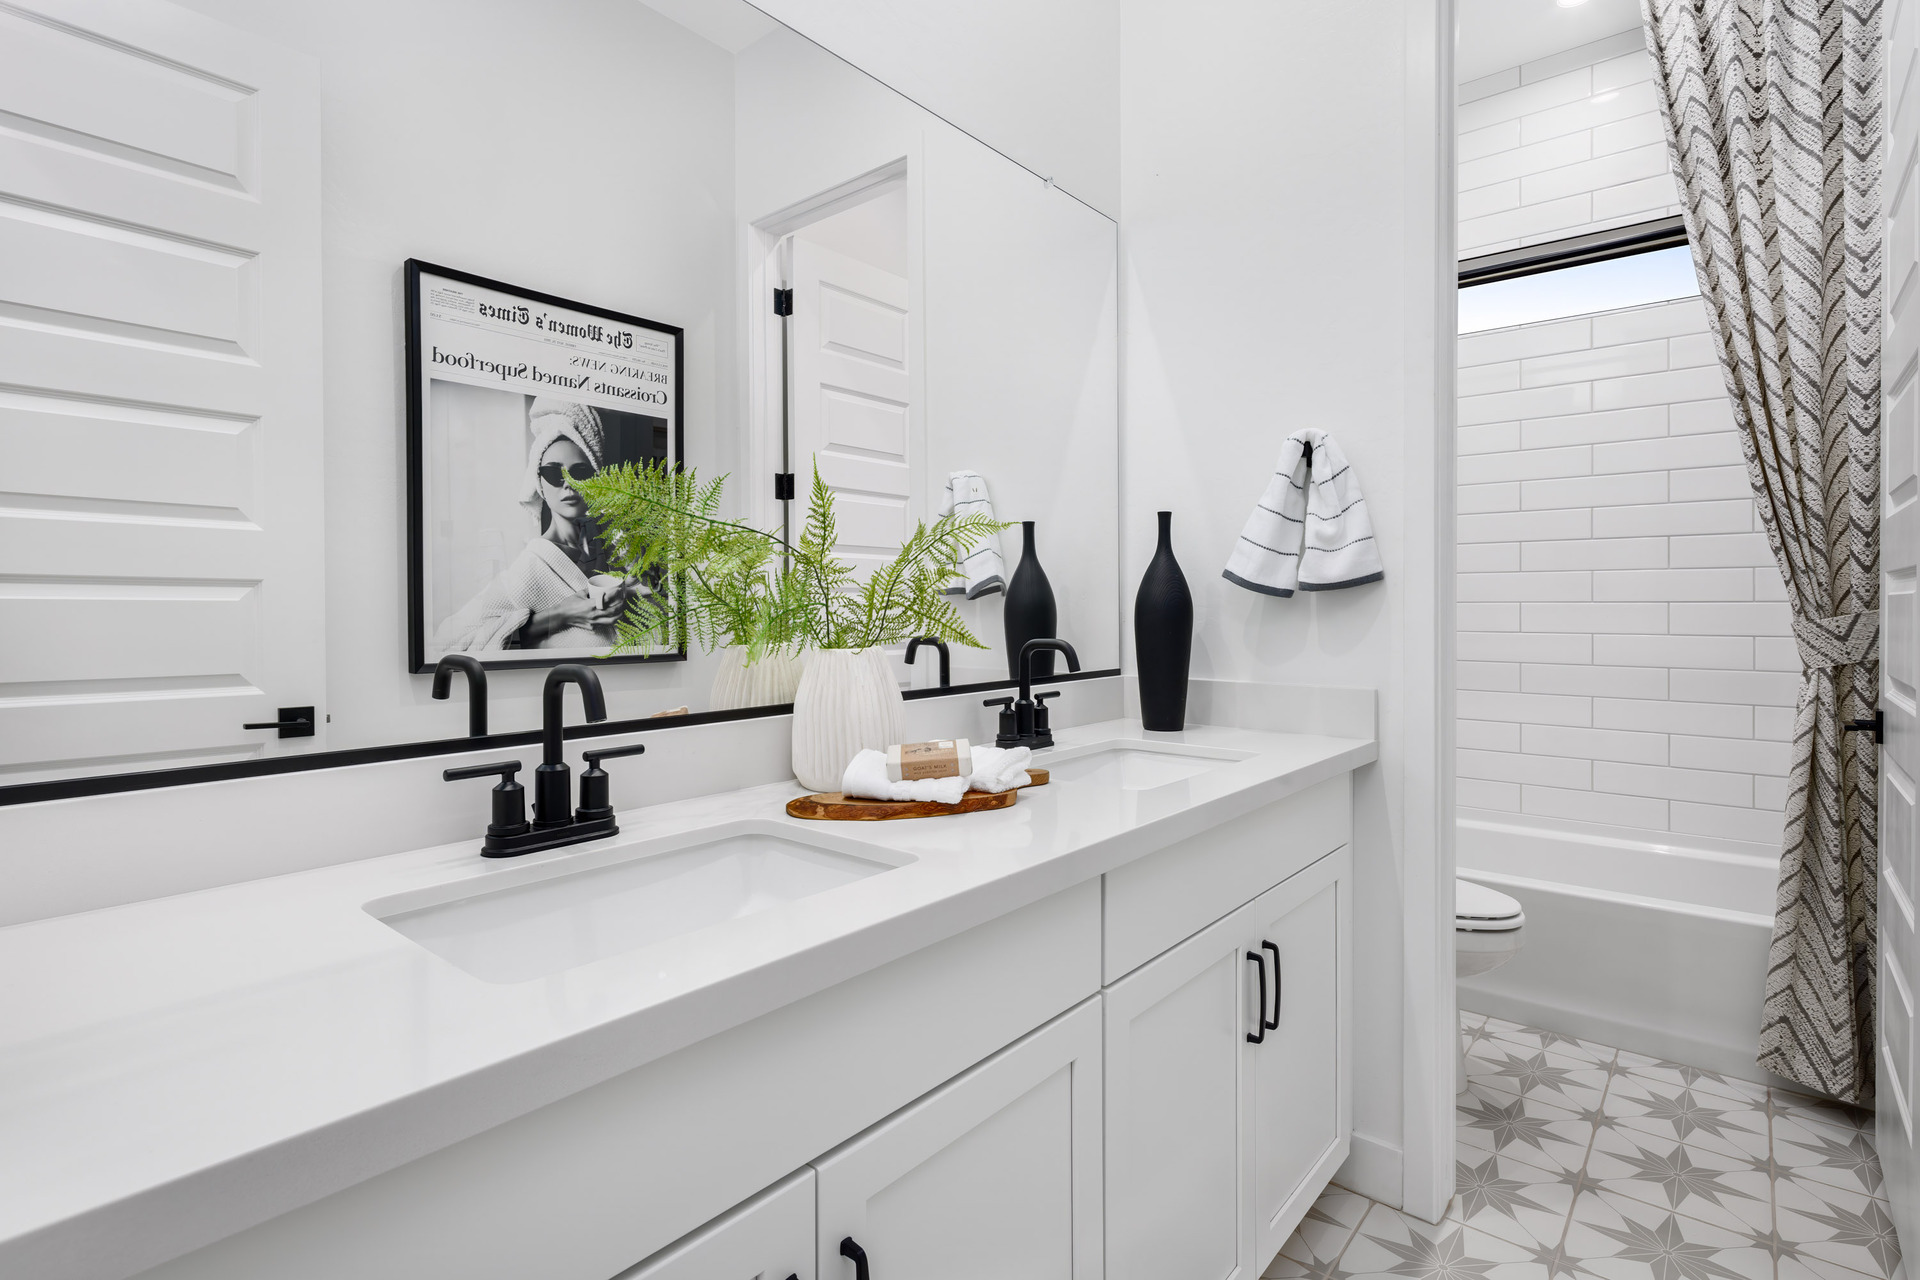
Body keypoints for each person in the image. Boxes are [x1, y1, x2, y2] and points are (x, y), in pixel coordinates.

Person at [431, 397, 643, 653]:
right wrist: (560, 615)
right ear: (539, 483)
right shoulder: (534, 566)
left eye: (579, 473)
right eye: (554, 473)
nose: (568, 484)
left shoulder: (619, 547)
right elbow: (448, 641)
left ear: (596, 478)